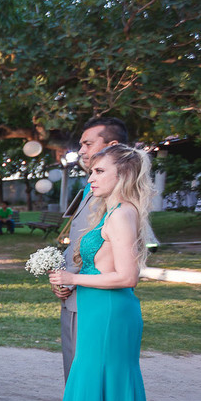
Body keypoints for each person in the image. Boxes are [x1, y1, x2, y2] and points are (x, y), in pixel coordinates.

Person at [39, 144, 158, 401]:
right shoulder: (110, 211)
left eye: (99, 171)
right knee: (92, 391)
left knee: (100, 391)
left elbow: (127, 277)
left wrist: (73, 277)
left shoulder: (123, 214)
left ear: (122, 174)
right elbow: (102, 266)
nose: (90, 178)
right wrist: (74, 278)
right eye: (90, 172)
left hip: (110, 315)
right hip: (95, 310)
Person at [55, 116, 129, 381]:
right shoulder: (92, 188)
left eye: (88, 144)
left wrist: (72, 279)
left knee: (86, 375)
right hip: (75, 292)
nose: (82, 151)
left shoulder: (117, 203)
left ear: (112, 146)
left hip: (93, 296)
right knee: (76, 372)